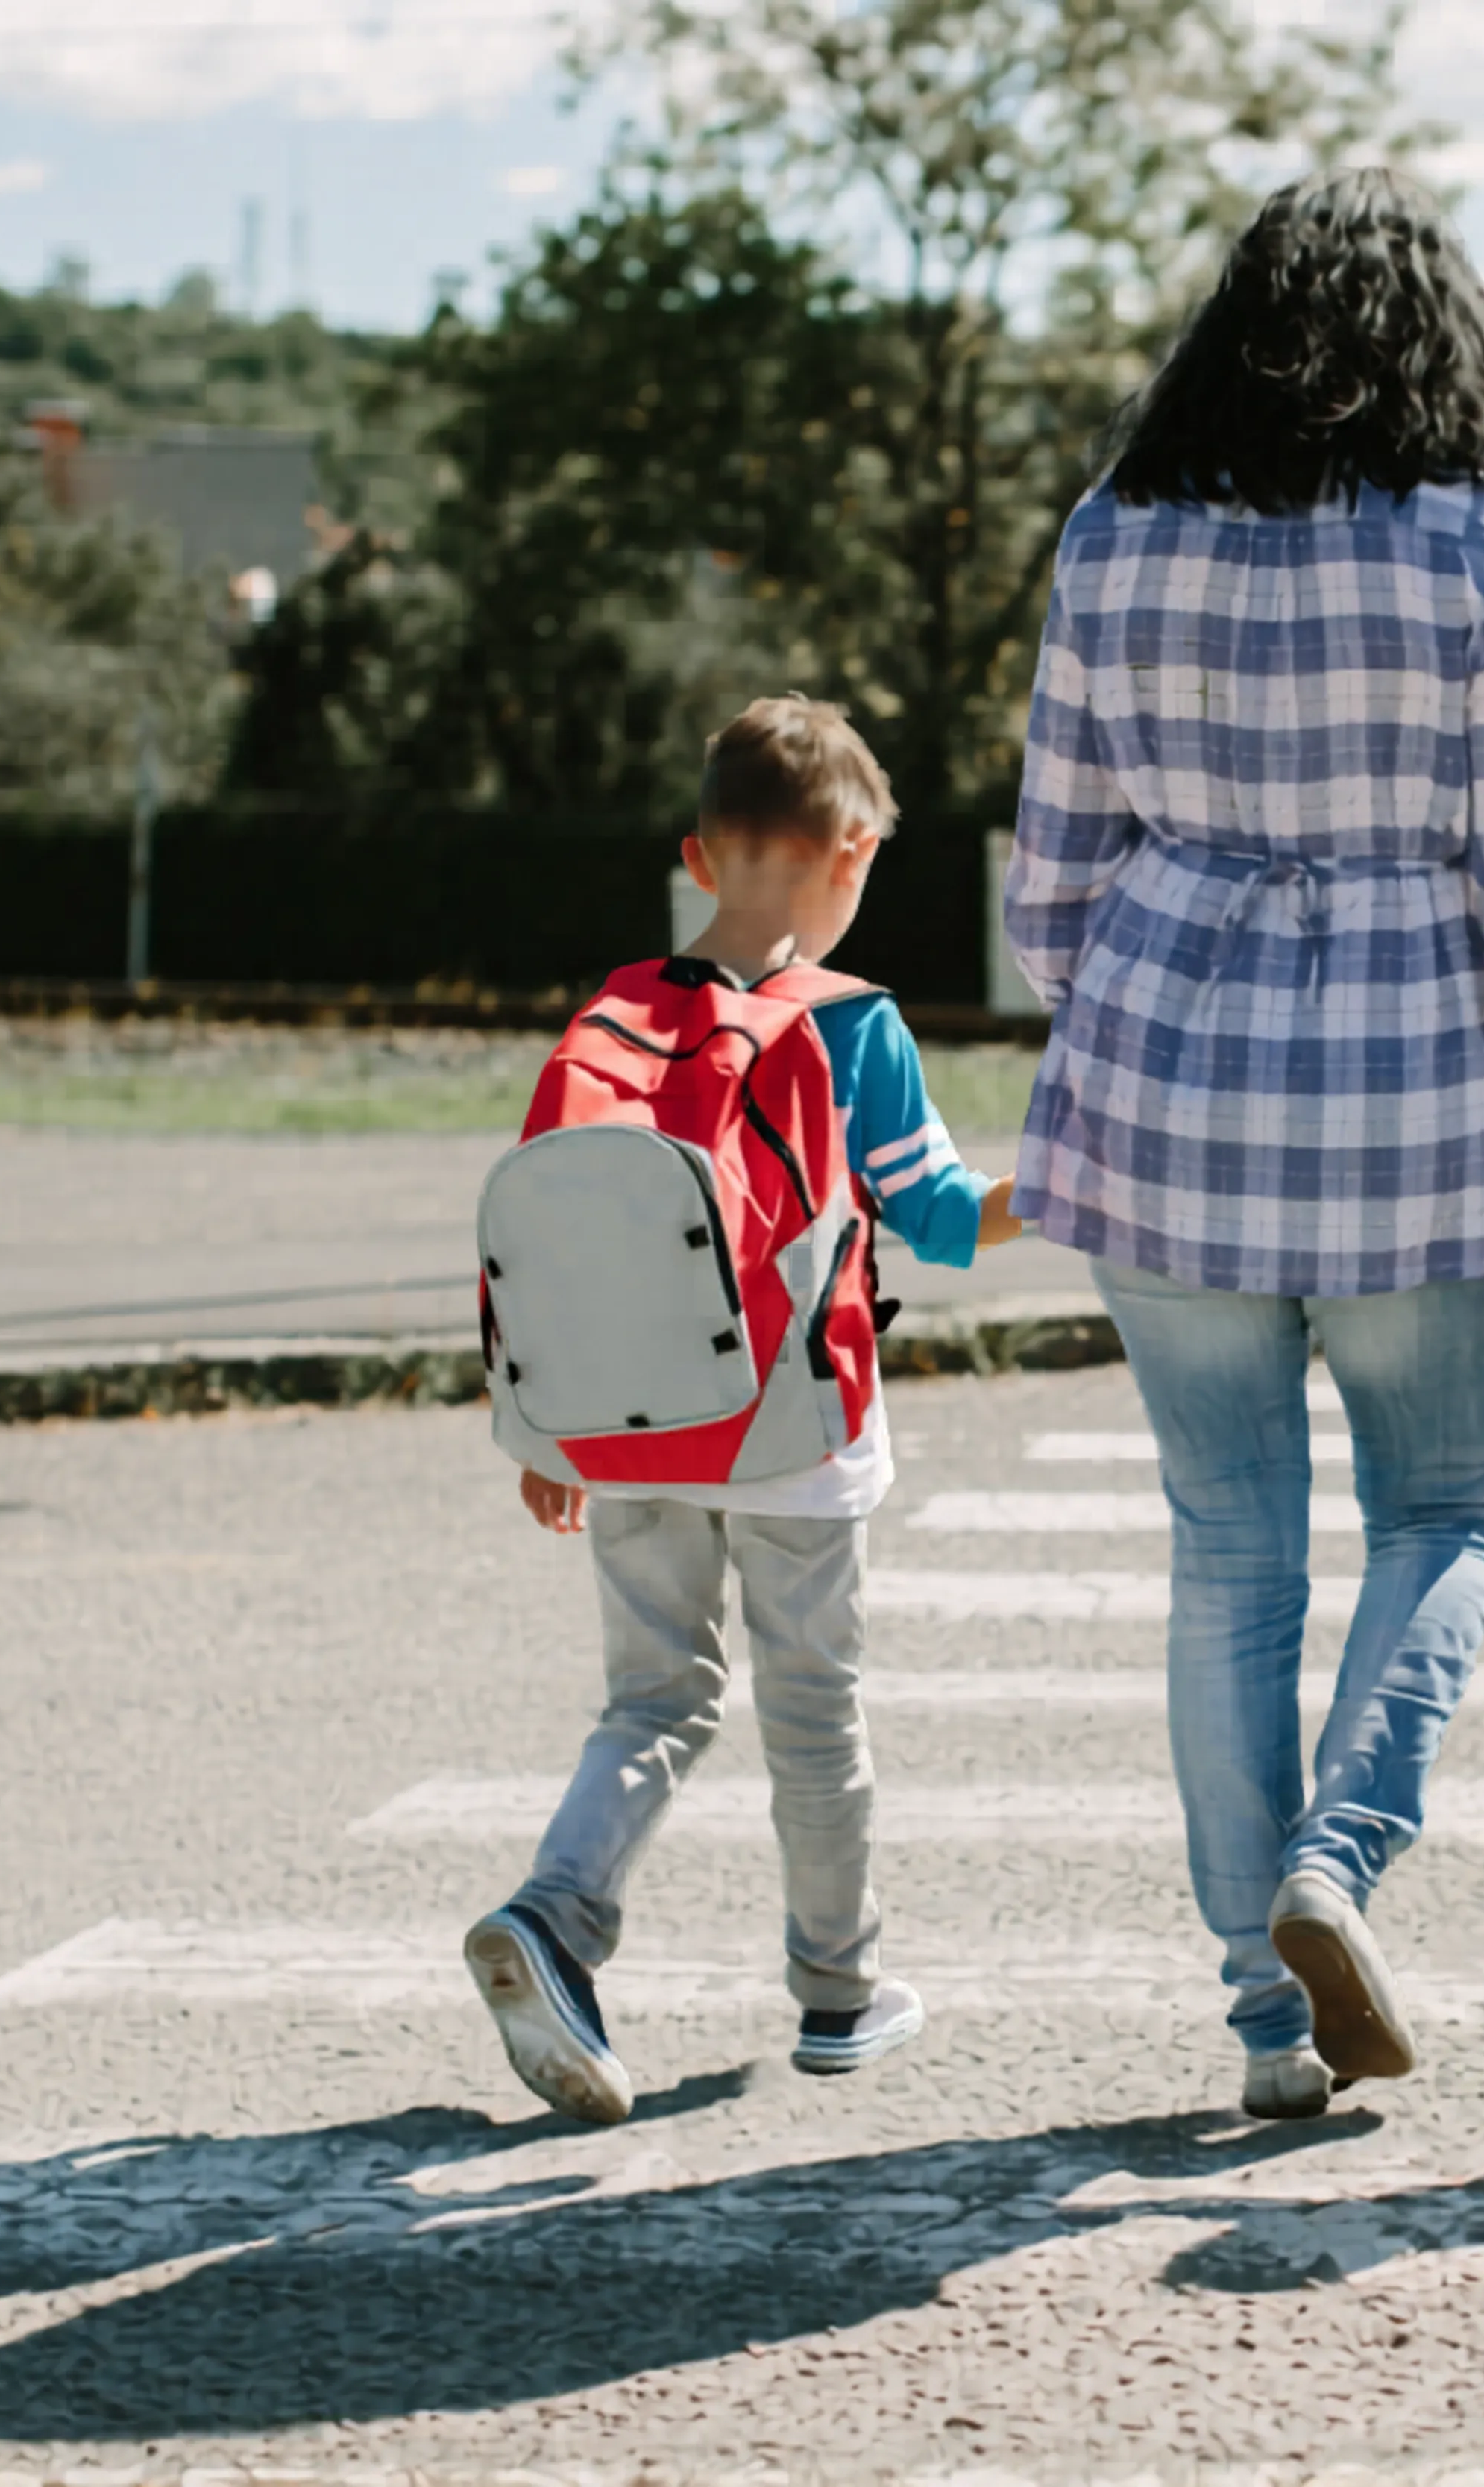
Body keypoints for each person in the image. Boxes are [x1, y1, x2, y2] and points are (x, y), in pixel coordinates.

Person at [1003, 169, 1484, 2123]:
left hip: (1171, 1101)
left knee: (1227, 1549)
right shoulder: (1480, 538)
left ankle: (1262, 2015)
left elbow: (1049, 894)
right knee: (1445, 1511)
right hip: (1418, 1112)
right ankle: (1337, 1859)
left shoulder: (1114, 533)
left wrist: (1126, 1003)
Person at [468, 697, 1025, 2128]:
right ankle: (840, 1993)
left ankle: (554, 1916)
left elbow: (546, 1238)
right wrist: (1084, 1178)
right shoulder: (855, 1028)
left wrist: (545, 1434)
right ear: (851, 852)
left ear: (697, 854)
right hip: (796, 1430)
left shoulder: (610, 1013)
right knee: (813, 1713)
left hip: (625, 1422)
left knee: (652, 1697)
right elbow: (950, 1225)